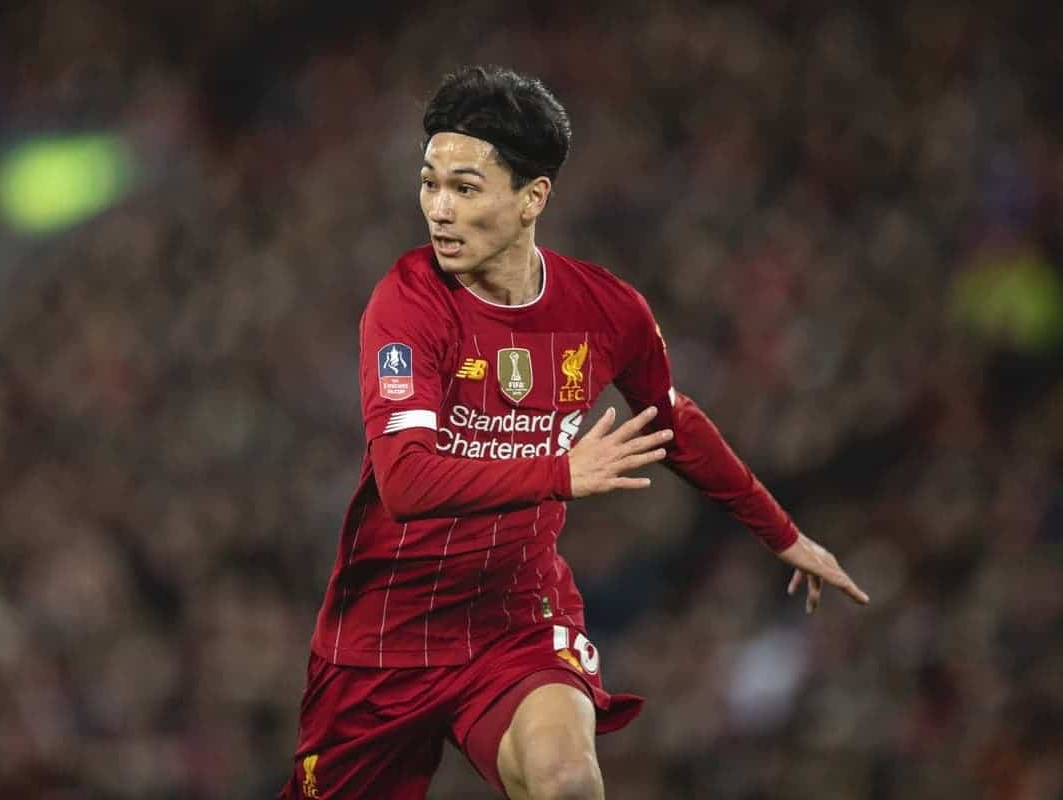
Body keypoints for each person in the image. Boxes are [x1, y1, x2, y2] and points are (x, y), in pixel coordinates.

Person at [280, 65, 869, 800]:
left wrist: (781, 532)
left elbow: (672, 420)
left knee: (566, 782)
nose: (438, 209)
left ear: (533, 198)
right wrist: (559, 471)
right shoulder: (406, 305)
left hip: (515, 621)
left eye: (465, 189)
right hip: (381, 641)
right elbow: (404, 481)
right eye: (429, 183)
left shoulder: (607, 310)